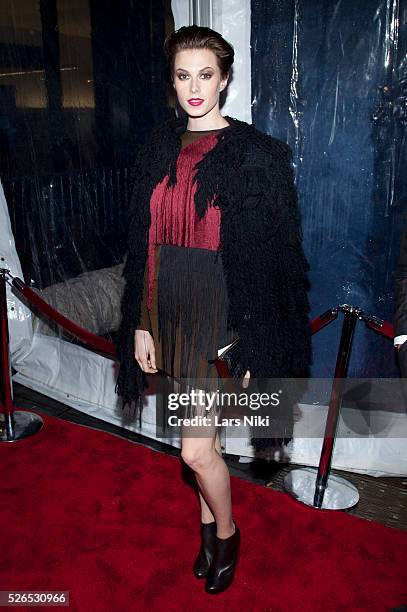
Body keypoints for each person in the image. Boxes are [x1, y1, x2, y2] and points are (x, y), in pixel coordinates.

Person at [115, 25, 312, 594]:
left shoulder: (257, 157)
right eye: (183, 75)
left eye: (206, 74)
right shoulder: (157, 149)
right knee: (206, 445)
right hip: (170, 309)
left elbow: (277, 266)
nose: (194, 87)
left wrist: (258, 343)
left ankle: (227, 533)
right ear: (172, 83)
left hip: (224, 312)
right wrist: (142, 324)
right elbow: (144, 246)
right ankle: (206, 529)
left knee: (196, 451)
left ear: (225, 79)